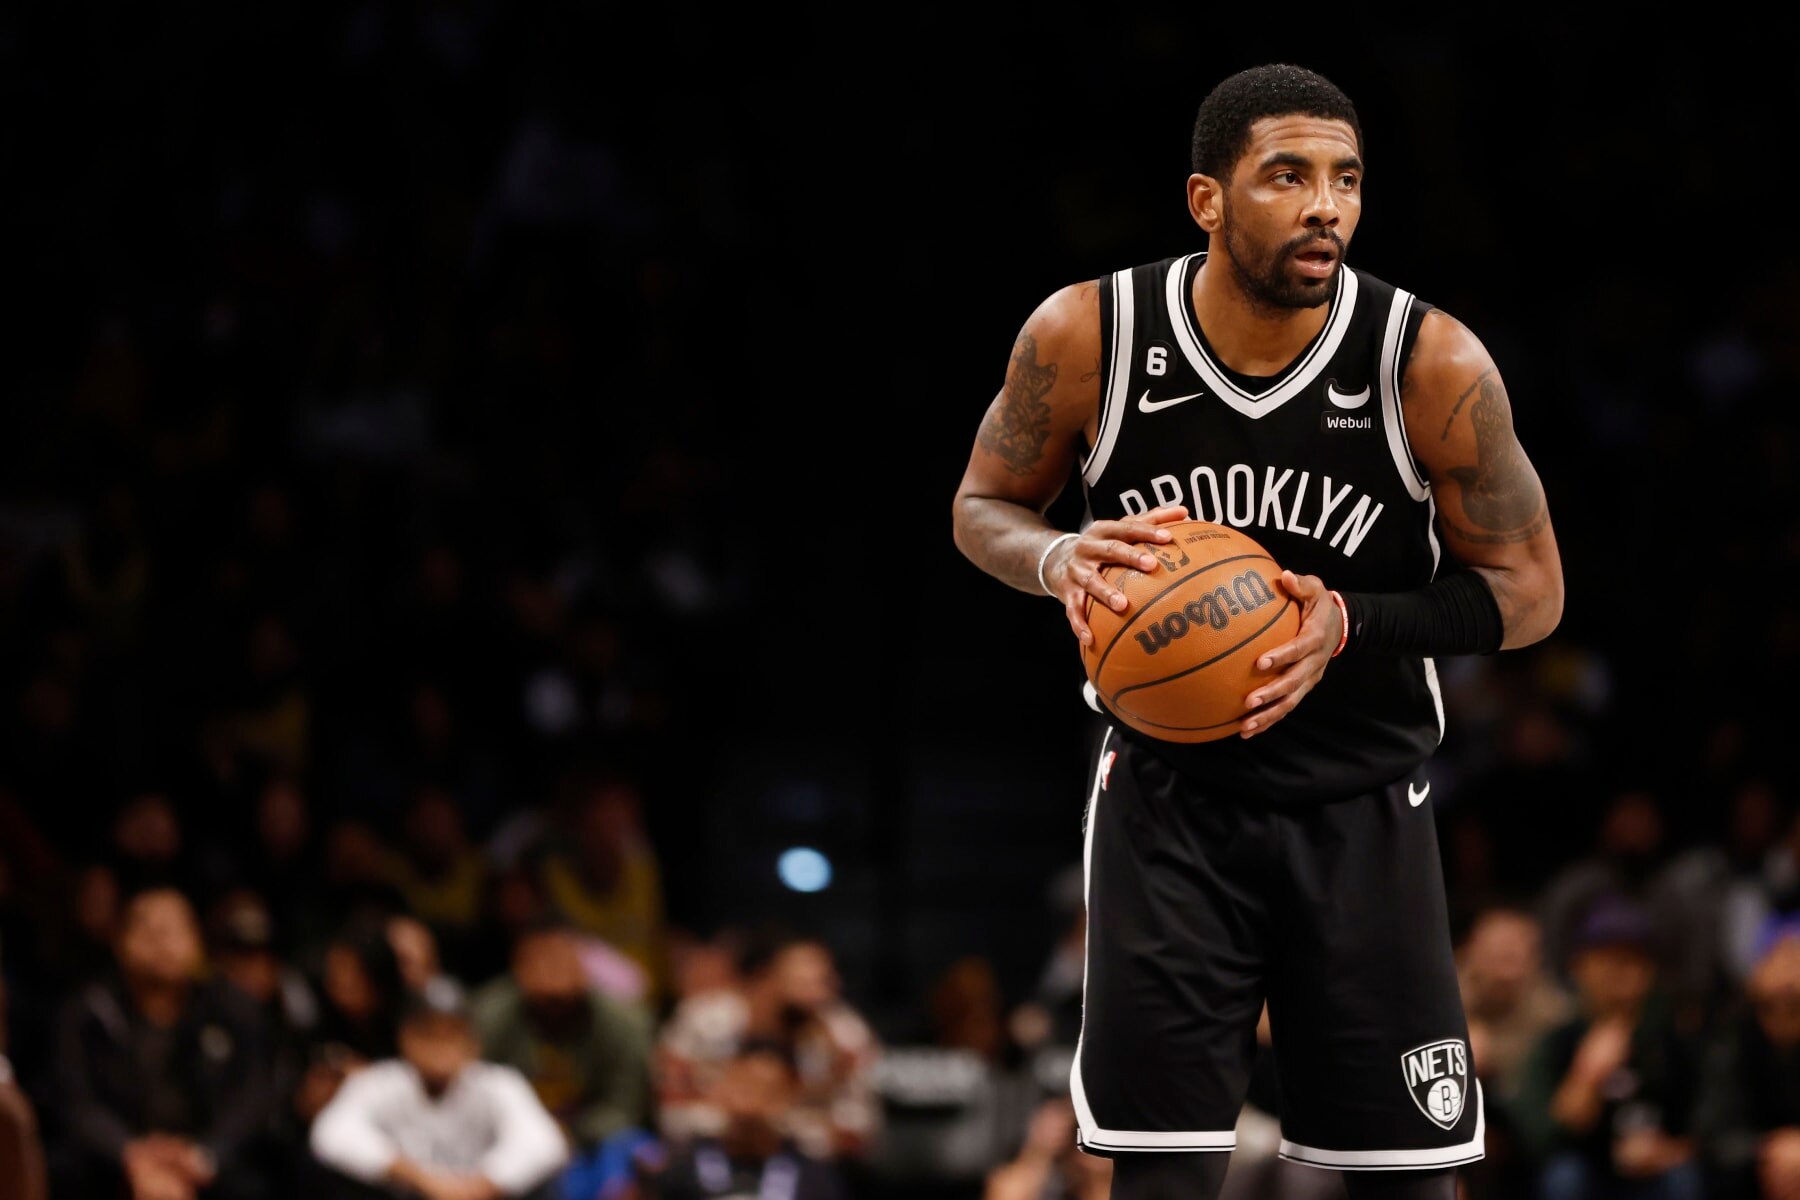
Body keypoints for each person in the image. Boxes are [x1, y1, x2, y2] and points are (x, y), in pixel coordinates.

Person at [949, 62, 1564, 1200]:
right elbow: (981, 506)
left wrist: (1349, 623)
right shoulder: (1090, 333)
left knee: (1408, 1180)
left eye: (1347, 180)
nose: (1326, 206)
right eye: (1288, 176)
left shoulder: (1426, 360)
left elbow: (1532, 595)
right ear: (1208, 200)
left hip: (1362, 802)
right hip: (1169, 806)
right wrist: (1056, 556)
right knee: (1162, 1176)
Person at [49, 887, 275, 1200]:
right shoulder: (90, 1012)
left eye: (174, 930)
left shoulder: (232, 1008)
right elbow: (76, 1103)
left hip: (210, 1164)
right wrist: (131, 1155)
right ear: (121, 941)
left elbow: (254, 1093)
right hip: (113, 1164)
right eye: (149, 929)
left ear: (196, 940)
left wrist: (205, 1156)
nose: (162, 943)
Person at [1511, 894, 1704, 1200]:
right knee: (1564, 1177)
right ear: (1578, 967)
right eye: (1606, 959)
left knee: (1684, 1179)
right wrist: (1588, 1074)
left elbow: (1709, 1127)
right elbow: (1540, 1138)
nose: (1620, 972)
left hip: (1658, 1172)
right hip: (1588, 1173)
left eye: (1631, 960)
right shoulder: (1559, 1041)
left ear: (1649, 970)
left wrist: (1668, 1151)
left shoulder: (1673, 1038)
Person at [309, 978, 570, 1200]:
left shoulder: (498, 1083)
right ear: (405, 1036)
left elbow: (544, 1143)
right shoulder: (379, 1082)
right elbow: (331, 1134)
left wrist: (480, 1185)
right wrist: (417, 1177)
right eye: (428, 1033)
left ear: (473, 1042)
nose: (440, 1047)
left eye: (451, 1034)